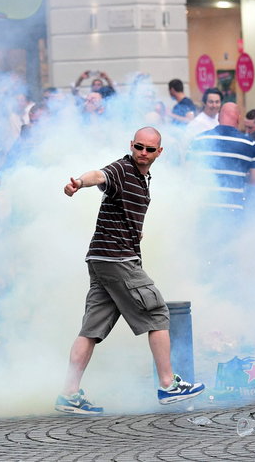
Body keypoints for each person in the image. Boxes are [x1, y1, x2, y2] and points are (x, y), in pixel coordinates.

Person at [56, 127, 205, 414]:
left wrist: (133, 233)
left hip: (103, 259)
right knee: (158, 312)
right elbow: (100, 175)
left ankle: (69, 394)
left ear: (159, 152)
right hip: (116, 259)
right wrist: (78, 183)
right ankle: (167, 385)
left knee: (91, 329)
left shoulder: (142, 178)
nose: (143, 153)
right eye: (139, 147)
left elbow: (125, 212)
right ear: (132, 145)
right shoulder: (123, 169)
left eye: (150, 149)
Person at [187, 103, 255, 213]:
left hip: (204, 209)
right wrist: (239, 176)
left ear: (218, 117)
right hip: (233, 210)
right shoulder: (248, 143)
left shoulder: (199, 140)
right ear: (238, 118)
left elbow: (189, 173)